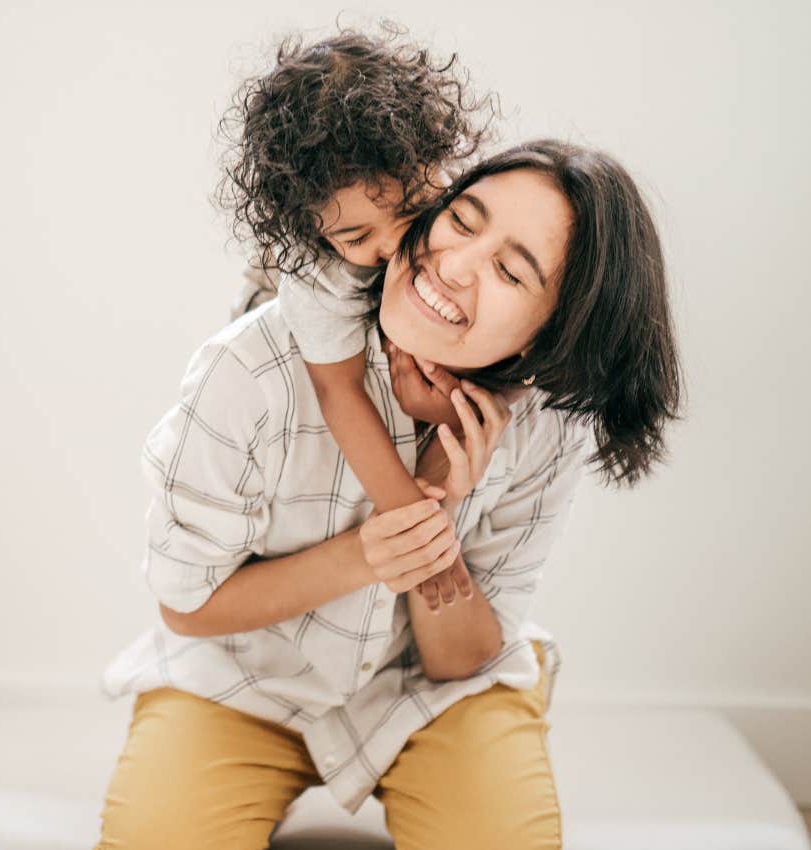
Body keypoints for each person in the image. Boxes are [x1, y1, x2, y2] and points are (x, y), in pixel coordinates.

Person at [96, 140, 681, 850]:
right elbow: (184, 607)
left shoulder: (543, 429)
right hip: (240, 676)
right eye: (462, 221)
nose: (454, 265)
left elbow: (459, 661)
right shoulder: (254, 367)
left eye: (508, 270)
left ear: (545, 338)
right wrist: (374, 550)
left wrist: (442, 498)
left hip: (429, 693)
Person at [216, 28, 496, 611]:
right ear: (315, 232)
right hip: (274, 300)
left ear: (438, 162)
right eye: (356, 236)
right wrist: (416, 525)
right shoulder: (318, 273)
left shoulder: (473, 204)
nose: (396, 245)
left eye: (414, 211)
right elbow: (337, 390)